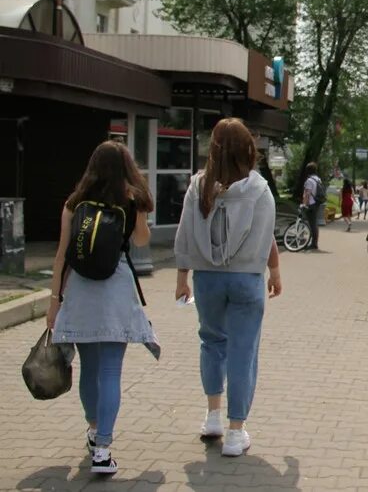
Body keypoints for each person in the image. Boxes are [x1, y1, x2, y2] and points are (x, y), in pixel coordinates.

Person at [47, 141, 159, 476]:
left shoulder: (74, 203)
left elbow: (62, 256)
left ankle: (93, 430)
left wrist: (54, 302)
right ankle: (103, 451)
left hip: (80, 292)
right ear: (126, 168)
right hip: (115, 292)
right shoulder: (129, 201)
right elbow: (141, 242)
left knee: (89, 369)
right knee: (111, 371)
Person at [173, 118, 283, 457]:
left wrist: (182, 276)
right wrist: (274, 272)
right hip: (246, 278)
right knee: (243, 350)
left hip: (207, 277)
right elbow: (267, 236)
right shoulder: (259, 189)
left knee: (211, 342)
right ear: (248, 149)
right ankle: (236, 432)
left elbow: (186, 232)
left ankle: (213, 417)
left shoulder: (198, 187)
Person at [301, 162, 322, 250]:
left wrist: (304, 204)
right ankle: (313, 242)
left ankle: (313, 243)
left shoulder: (309, 181)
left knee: (312, 224)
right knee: (314, 224)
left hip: (311, 204)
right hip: (316, 203)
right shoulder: (318, 179)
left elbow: (307, 194)